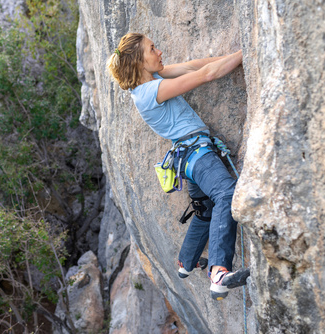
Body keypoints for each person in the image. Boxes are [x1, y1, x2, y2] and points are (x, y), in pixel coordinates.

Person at [106, 33, 250, 300]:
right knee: (226, 193)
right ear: (139, 60)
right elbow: (206, 75)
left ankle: (186, 262)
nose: (159, 52)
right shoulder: (150, 92)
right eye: (152, 49)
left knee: (206, 210)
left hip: (187, 158)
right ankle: (219, 274)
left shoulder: (152, 79)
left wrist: (238, 54)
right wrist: (250, 51)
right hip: (197, 154)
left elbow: (195, 66)